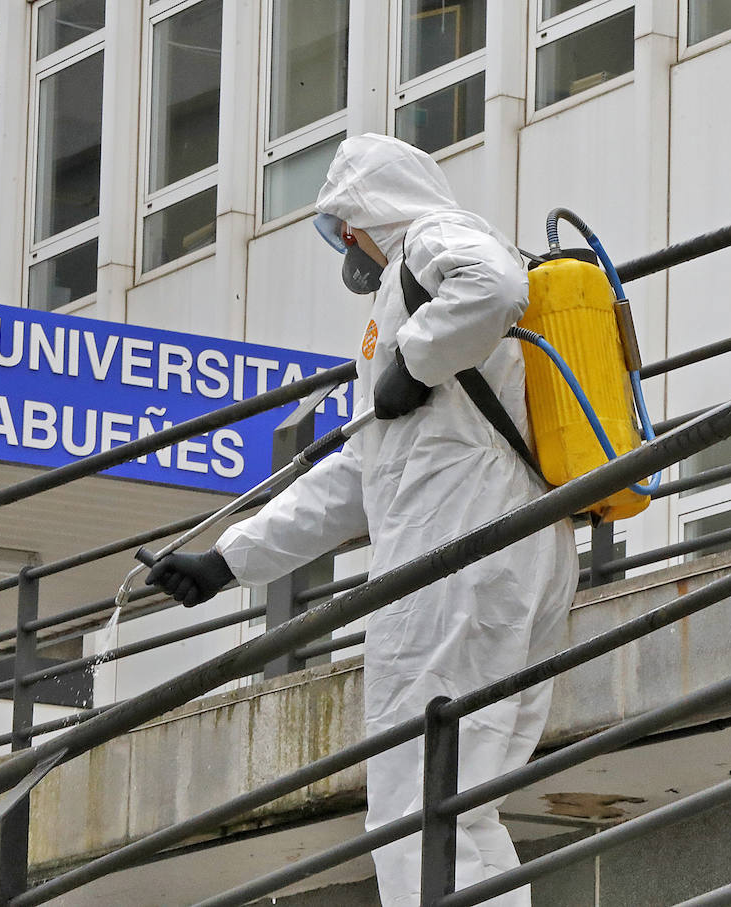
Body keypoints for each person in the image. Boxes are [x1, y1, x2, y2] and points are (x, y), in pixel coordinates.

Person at [147, 133, 579, 905]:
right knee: (460, 798)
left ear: (360, 219)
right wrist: (231, 560)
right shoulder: (414, 296)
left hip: (459, 550)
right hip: (502, 546)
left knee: (417, 793)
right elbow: (361, 471)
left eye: (343, 230)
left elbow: (494, 281)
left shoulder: (430, 246)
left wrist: (412, 361)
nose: (345, 249)